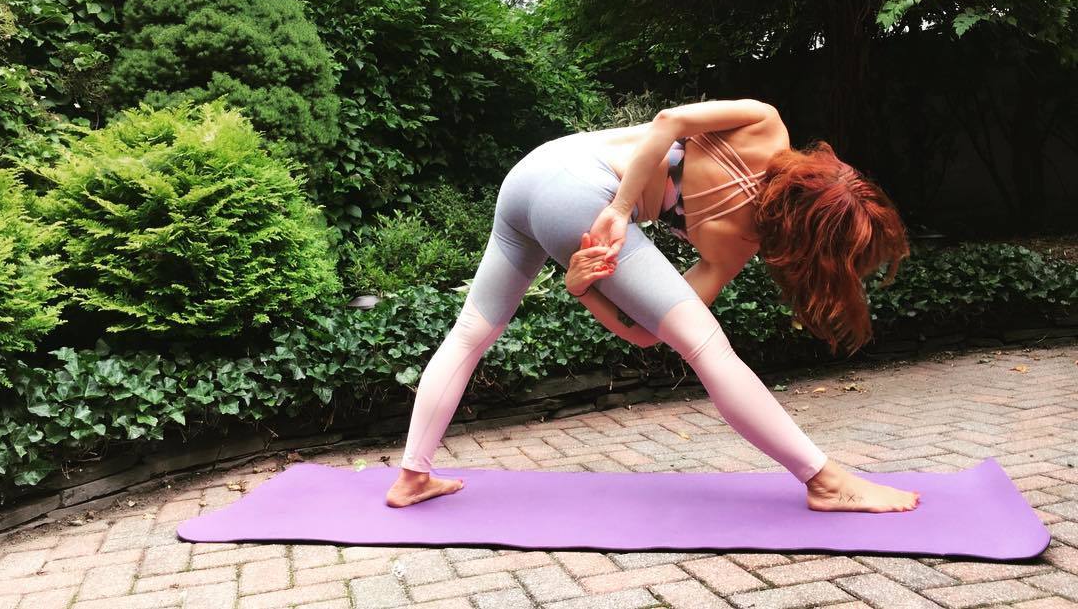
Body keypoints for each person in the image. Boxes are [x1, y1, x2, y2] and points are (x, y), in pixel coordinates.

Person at [385, 98, 920, 513]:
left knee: (470, 333)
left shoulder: (763, 127)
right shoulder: (738, 222)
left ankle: (412, 476)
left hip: (531, 174)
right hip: (581, 193)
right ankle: (825, 481)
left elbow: (645, 330)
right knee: (711, 351)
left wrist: (583, 287)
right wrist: (619, 210)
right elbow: (669, 122)